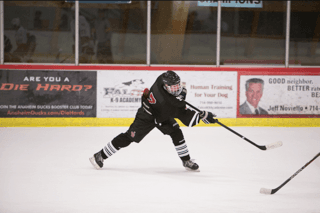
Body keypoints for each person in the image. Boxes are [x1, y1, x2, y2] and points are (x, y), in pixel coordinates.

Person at [89, 71, 217, 172]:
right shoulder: (168, 103)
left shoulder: (162, 78)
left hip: (161, 114)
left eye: (177, 86)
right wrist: (202, 116)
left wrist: (182, 100)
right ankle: (99, 155)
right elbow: (187, 119)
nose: (176, 89)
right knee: (129, 137)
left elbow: (178, 101)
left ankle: (186, 161)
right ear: (166, 87)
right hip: (147, 116)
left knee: (176, 133)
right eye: (173, 87)